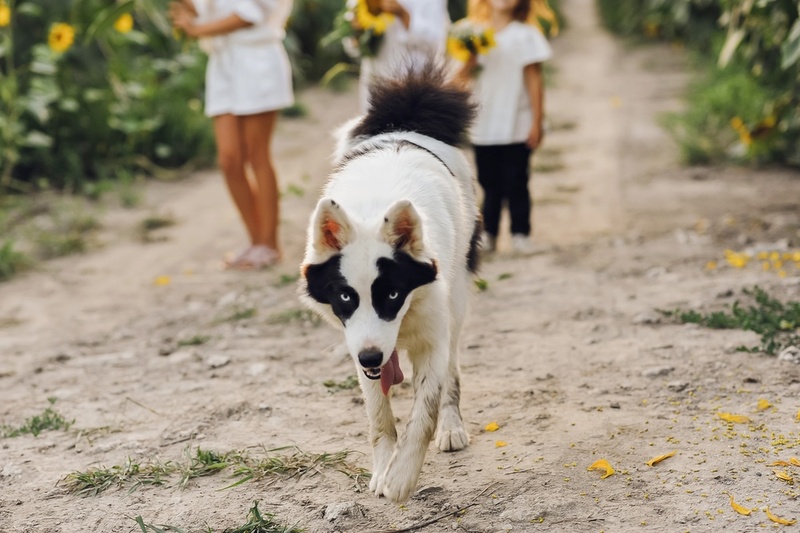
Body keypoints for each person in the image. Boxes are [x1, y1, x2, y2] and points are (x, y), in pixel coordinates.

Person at [170, 0, 293, 269]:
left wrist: (197, 30)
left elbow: (250, 14)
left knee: (256, 154)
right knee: (229, 159)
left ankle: (269, 244)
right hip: (222, 63)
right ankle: (255, 241)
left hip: (257, 59)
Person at [456, 0, 552, 255]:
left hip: (517, 123)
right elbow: (456, 79)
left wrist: (537, 121)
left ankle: (521, 233)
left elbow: (534, 81)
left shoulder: (525, 35)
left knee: (517, 181)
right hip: (483, 123)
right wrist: (470, 60)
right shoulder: (468, 32)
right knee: (488, 183)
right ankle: (488, 234)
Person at [354, 0, 449, 112]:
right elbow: (355, 46)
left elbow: (437, 43)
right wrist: (357, 33)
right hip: (374, 79)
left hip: (413, 84)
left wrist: (404, 15)